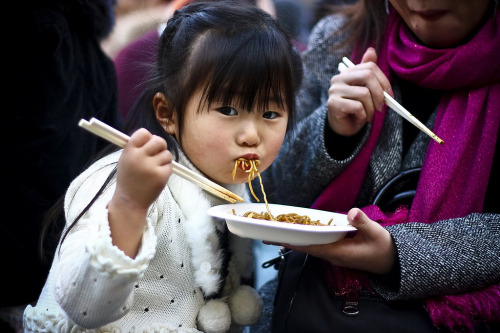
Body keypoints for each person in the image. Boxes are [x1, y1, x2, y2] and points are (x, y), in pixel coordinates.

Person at [23, 1, 303, 332]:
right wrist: (129, 205)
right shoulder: (124, 182)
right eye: (228, 109)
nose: (251, 136)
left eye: (270, 114)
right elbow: (84, 308)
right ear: (168, 113)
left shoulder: (231, 186)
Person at [249, 0, 500, 332]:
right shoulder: (340, 40)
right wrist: (333, 132)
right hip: (308, 311)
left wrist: (397, 253)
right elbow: (270, 195)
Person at [1, 0, 122, 331]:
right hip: (24, 278)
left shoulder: (86, 51)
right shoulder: (29, 36)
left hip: (64, 280)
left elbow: (107, 160)